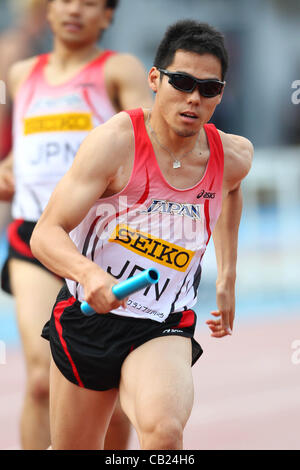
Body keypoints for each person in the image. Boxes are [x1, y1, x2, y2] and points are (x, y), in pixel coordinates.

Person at [30, 19, 253, 450]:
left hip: (162, 322)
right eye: (183, 82)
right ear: (155, 78)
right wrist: (90, 276)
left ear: (220, 94)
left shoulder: (233, 156)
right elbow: (47, 233)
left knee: (164, 433)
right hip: (89, 320)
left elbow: (233, 189)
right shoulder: (115, 142)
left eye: (208, 89)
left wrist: (227, 277)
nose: (193, 98)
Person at [0, 0, 153, 450]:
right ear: (48, 10)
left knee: (105, 390)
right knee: (39, 378)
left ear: (107, 16)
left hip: (101, 245)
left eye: (89, 3)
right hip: (33, 234)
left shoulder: (119, 69)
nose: (74, 10)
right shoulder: (22, 73)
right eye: (65, 0)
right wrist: (6, 165)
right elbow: (20, 144)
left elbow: (148, 139)